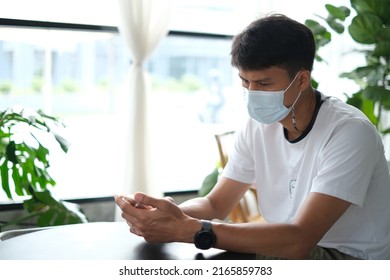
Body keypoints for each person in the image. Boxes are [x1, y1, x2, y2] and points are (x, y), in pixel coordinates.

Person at [115, 14, 390, 260]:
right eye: (245, 82)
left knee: (218, 250)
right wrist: (169, 215)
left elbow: (299, 240)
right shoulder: (259, 125)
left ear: (303, 80)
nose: (253, 93)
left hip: (348, 257)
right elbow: (215, 203)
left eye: (264, 83)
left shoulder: (350, 132)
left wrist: (192, 229)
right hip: (289, 243)